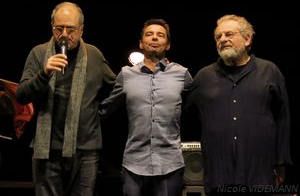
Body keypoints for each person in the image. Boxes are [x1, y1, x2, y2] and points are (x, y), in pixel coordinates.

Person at [15, 2, 116, 196]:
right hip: (47, 151)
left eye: (70, 29)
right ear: (52, 27)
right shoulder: (39, 53)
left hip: (85, 150)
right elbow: (21, 95)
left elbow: (117, 86)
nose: (64, 34)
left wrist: (99, 112)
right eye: (58, 28)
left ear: (81, 30)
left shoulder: (94, 55)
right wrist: (43, 74)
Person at [185, 14, 292, 195]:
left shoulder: (269, 71)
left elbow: (283, 117)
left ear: (247, 39)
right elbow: (183, 114)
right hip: (219, 171)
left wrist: (281, 161)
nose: (223, 39)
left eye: (229, 34)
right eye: (218, 37)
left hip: (260, 170)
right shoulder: (204, 76)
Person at [99, 18, 193, 196]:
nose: (155, 38)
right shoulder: (126, 75)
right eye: (149, 34)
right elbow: (105, 108)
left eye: (160, 35)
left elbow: (198, 107)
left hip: (170, 164)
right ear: (141, 43)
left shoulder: (182, 74)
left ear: (168, 44)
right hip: (134, 163)